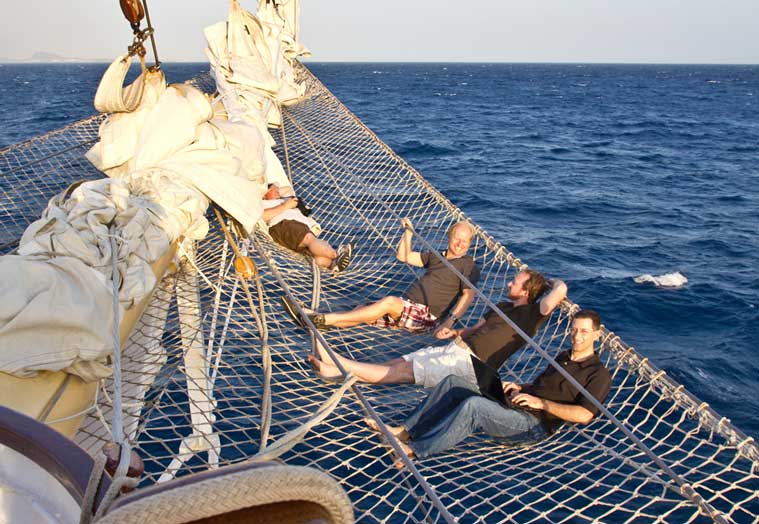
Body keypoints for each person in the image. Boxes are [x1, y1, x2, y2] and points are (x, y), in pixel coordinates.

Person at [366, 310, 612, 463]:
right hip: (518, 404)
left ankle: (414, 450)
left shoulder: (598, 374)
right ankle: (404, 431)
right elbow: (543, 387)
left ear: (597, 334)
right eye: (574, 330)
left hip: (534, 426)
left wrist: (542, 404)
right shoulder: (564, 356)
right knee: (453, 383)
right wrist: (519, 387)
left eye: (584, 332)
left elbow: (585, 415)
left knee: (474, 406)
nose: (577, 336)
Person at [308, 269, 567, 388]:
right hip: (456, 349)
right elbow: (477, 327)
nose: (509, 283)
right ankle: (335, 371)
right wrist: (453, 333)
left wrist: (552, 281)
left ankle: (337, 362)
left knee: (401, 373)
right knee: (399, 362)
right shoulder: (502, 305)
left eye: (515, 282)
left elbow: (561, 290)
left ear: (526, 291)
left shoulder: (534, 314)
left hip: (472, 365)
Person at [283, 218, 481, 335]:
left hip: (427, 317)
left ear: (470, 244)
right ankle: (312, 323)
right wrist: (409, 233)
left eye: (465, 241)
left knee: (388, 302)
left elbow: (468, 296)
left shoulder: (467, 265)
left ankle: (320, 318)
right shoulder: (436, 256)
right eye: (457, 238)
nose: (460, 244)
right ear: (449, 237)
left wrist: (450, 321)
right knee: (362, 311)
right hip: (407, 309)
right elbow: (403, 256)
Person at [262, 183, 352, 272]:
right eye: (274, 190)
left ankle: (332, 265)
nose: (277, 191)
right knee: (309, 239)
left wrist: (274, 190)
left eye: (278, 190)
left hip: (294, 228)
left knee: (314, 256)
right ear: (264, 193)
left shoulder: (283, 199)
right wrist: (285, 206)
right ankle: (336, 255)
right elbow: (263, 216)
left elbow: (288, 188)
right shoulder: (264, 203)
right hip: (284, 224)